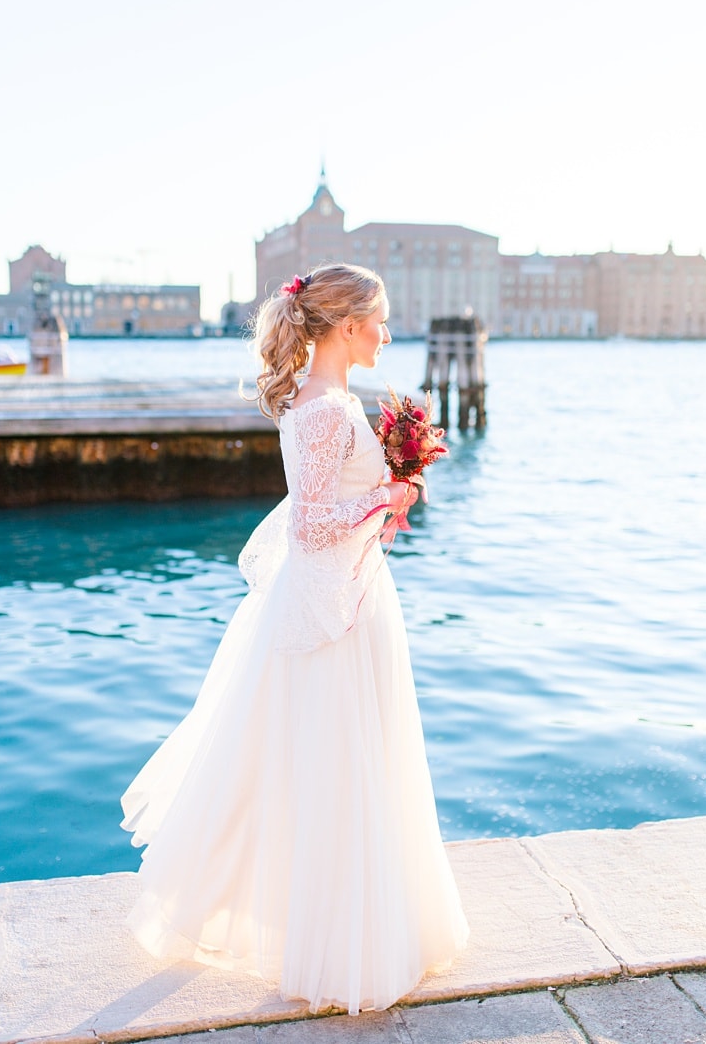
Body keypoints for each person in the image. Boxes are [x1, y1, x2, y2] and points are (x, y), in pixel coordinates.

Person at [120, 264, 468, 1014]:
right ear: (345, 326)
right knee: (336, 772)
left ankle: (364, 922)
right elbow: (311, 524)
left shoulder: (332, 403)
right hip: (328, 620)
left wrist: (378, 508)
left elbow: (326, 515)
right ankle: (343, 945)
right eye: (379, 319)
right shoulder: (323, 412)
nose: (387, 331)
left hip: (350, 597)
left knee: (350, 768)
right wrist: (391, 492)